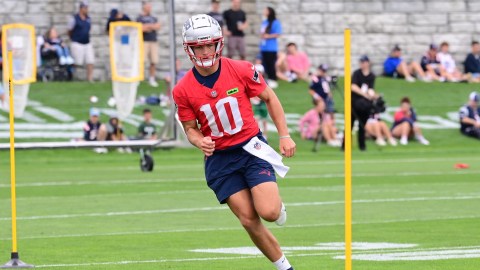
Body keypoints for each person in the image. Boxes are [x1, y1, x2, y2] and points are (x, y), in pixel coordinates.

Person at [173, 14, 295, 270]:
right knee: (249, 220)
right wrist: (199, 142)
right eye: (199, 46)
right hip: (219, 158)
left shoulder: (240, 69)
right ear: (189, 48)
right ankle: (285, 267)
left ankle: (276, 203)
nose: (205, 51)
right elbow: (189, 128)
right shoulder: (182, 89)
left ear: (218, 43)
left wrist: (284, 135)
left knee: (270, 213)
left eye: (209, 44)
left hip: (250, 148)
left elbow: (270, 97)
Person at [347, 55, 379, 151]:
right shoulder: (357, 73)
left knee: (362, 126)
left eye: (364, 62)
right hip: (354, 103)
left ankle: (362, 146)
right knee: (349, 125)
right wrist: (364, 94)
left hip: (364, 105)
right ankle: (346, 146)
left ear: (368, 63)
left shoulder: (371, 76)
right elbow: (353, 87)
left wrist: (373, 95)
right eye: (361, 62)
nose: (362, 64)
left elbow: (370, 89)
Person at [308, 64, 340, 147]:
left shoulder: (326, 78)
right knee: (323, 117)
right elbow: (311, 90)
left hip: (328, 100)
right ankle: (326, 135)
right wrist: (318, 98)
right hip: (320, 100)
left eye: (324, 71)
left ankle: (333, 134)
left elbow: (330, 85)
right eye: (322, 70)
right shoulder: (316, 79)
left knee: (331, 115)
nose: (323, 72)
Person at [68, 1, 95, 82]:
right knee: (77, 61)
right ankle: (71, 76)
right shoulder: (74, 18)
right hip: (77, 42)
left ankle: (90, 78)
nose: (87, 9)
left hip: (87, 42)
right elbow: (69, 30)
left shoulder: (88, 19)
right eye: (85, 8)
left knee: (90, 60)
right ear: (81, 8)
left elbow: (88, 29)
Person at [137, 1, 161, 87]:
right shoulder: (139, 18)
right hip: (144, 41)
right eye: (148, 6)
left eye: (150, 6)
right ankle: (139, 79)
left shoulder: (154, 17)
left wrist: (148, 26)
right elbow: (140, 28)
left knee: (153, 61)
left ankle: (152, 79)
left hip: (153, 41)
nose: (149, 8)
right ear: (144, 7)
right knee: (141, 61)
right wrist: (151, 26)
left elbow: (158, 26)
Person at [259, 6, 282, 88]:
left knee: (271, 64)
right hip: (264, 47)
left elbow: (278, 33)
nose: (264, 11)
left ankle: (273, 79)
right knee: (265, 64)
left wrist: (268, 36)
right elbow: (261, 32)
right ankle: (268, 79)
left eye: (266, 10)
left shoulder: (275, 22)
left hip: (271, 48)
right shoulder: (264, 22)